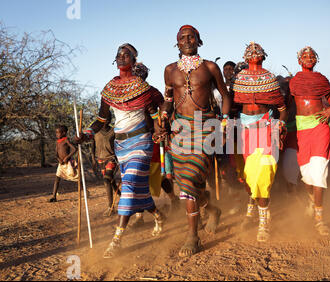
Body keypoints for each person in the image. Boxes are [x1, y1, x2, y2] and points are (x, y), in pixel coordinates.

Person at [75, 43, 166, 258]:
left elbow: (153, 113)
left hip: (142, 142)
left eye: (127, 55)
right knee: (137, 189)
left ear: (134, 61)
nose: (122, 57)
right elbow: (101, 119)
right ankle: (158, 215)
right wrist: (87, 134)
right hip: (121, 146)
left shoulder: (142, 88)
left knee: (129, 187)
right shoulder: (109, 89)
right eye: (119, 55)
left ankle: (116, 240)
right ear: (115, 60)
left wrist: (159, 127)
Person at [157, 25, 232, 257]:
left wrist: (225, 120)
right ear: (177, 43)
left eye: (191, 37)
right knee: (188, 185)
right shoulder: (170, 70)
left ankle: (193, 238)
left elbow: (225, 96)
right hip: (179, 130)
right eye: (182, 38)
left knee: (189, 182)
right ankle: (214, 209)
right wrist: (163, 115)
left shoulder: (210, 67)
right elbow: (168, 99)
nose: (187, 40)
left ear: (199, 41)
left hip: (204, 127)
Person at [232, 42, 287, 242]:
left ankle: (263, 223)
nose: (254, 53)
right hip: (246, 131)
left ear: (263, 56)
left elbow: (282, 108)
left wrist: (280, 124)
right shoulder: (239, 79)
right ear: (246, 57)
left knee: (263, 175)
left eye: (257, 51)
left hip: (266, 128)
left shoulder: (270, 78)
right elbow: (233, 104)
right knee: (249, 178)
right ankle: (260, 208)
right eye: (250, 51)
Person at [289, 46, 330, 236]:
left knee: (319, 173)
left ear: (316, 60)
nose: (308, 58)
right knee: (307, 176)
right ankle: (312, 200)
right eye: (305, 56)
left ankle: (320, 220)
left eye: (311, 56)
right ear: (299, 60)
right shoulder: (293, 82)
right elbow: (284, 106)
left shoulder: (321, 80)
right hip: (302, 129)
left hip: (320, 126)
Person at [92, 115, 120, 216]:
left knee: (106, 180)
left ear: (109, 120)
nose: (105, 121)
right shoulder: (96, 131)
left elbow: (118, 144)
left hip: (111, 158)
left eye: (107, 119)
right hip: (100, 159)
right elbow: (93, 145)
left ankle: (110, 207)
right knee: (111, 181)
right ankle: (121, 196)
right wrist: (93, 159)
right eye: (103, 119)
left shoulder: (114, 131)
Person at [49, 125, 78, 202]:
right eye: (56, 133)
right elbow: (56, 153)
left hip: (68, 163)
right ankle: (54, 196)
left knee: (76, 178)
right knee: (57, 179)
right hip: (61, 164)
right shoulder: (57, 142)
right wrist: (59, 159)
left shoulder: (66, 140)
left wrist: (67, 157)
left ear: (64, 133)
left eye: (58, 133)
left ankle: (85, 191)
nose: (57, 134)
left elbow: (74, 149)